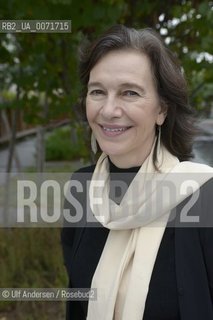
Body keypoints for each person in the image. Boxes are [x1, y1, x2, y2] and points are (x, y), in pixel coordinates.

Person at [61, 25, 213, 320]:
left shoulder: (203, 196)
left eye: (129, 92)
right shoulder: (81, 188)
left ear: (162, 110)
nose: (108, 109)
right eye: (97, 92)